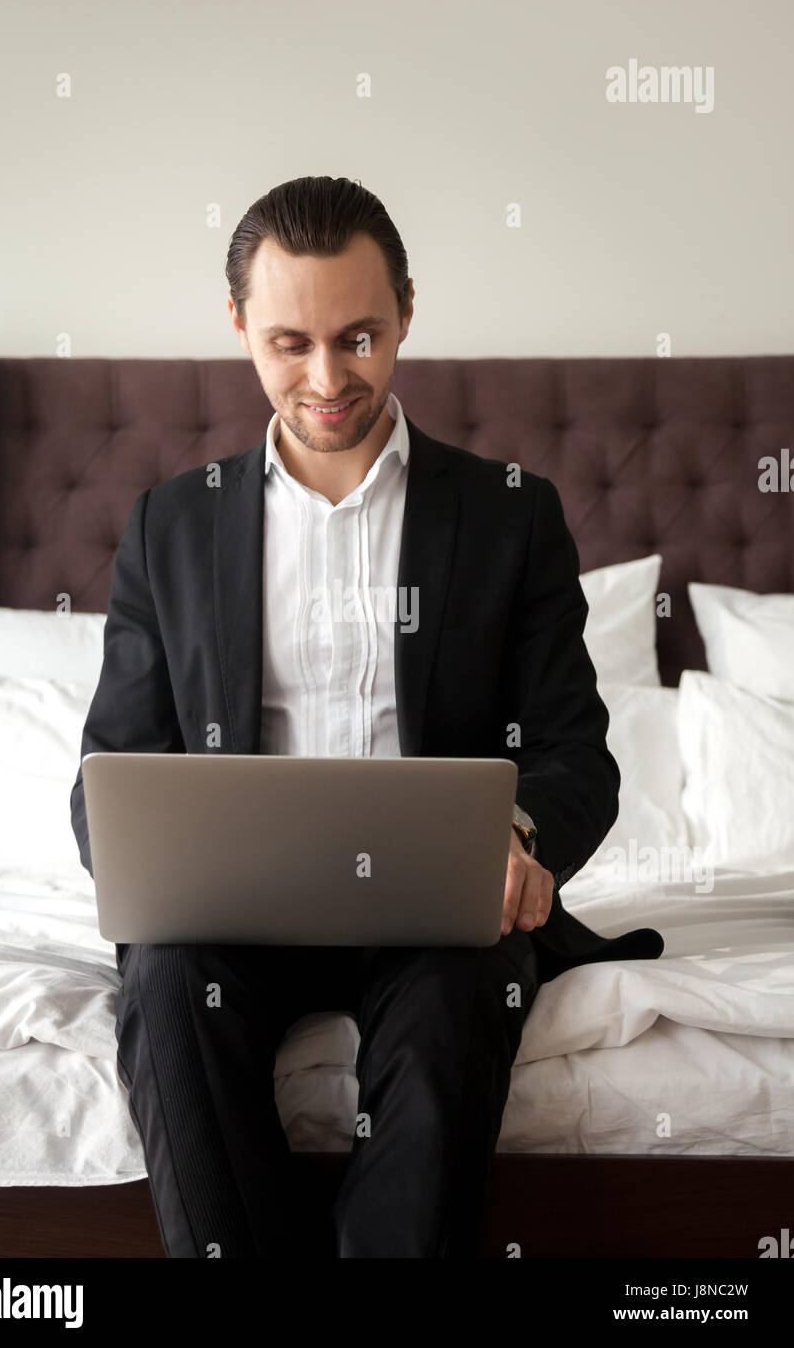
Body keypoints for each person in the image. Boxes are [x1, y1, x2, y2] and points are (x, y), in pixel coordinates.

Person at [70, 174, 663, 1258]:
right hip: (229, 918)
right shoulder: (170, 527)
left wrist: (516, 836)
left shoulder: (511, 517)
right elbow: (110, 772)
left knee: (457, 999)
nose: (327, 378)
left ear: (406, 312)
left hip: (440, 918)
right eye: (289, 342)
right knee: (161, 978)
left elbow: (574, 753)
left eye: (358, 337)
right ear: (239, 324)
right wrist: (147, 861)